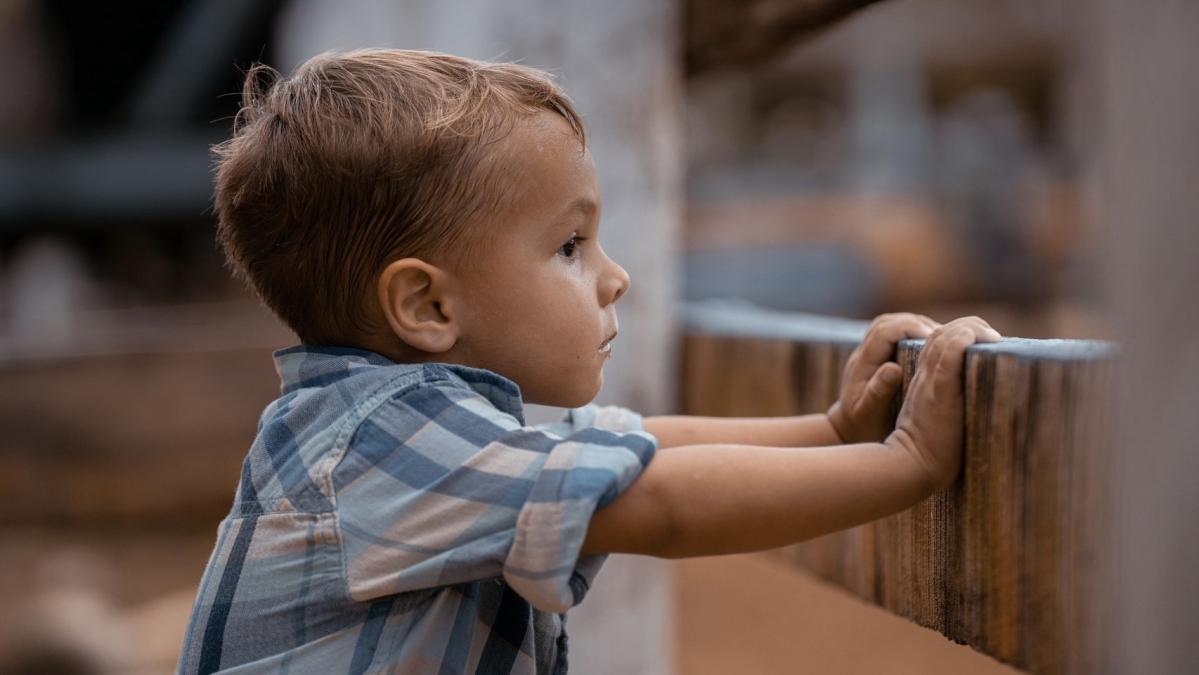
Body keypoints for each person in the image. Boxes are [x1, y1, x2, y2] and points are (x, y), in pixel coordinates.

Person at [178, 49, 1001, 675]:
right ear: (427, 307)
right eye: (569, 245)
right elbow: (662, 504)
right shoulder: (378, 443)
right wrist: (908, 464)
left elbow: (637, 445)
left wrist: (831, 432)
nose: (616, 276)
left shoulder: (416, 428)